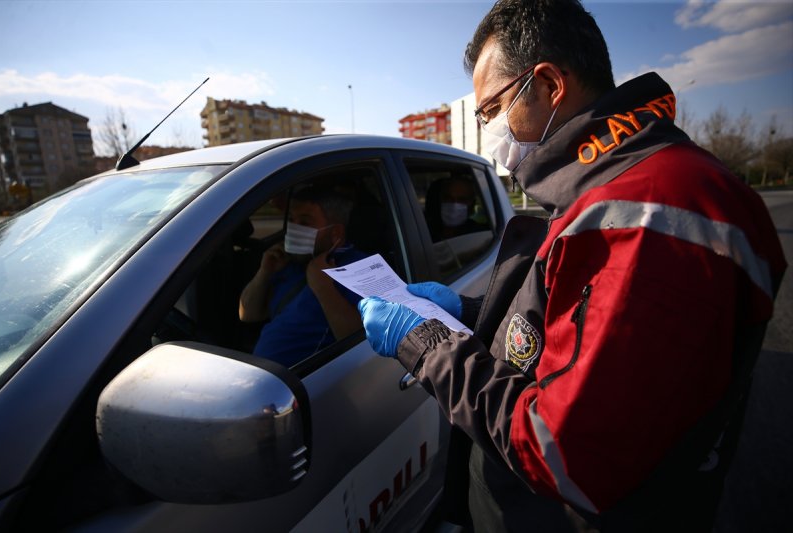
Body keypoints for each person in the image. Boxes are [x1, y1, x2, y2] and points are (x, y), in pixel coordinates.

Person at [357, 1, 787, 531]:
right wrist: (469, 312)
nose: (488, 129)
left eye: (491, 109)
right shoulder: (616, 186)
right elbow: (571, 331)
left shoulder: (643, 213)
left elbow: (564, 452)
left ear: (549, 85)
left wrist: (425, 345)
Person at [239, 184, 366, 367]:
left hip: (304, 380)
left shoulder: (359, 267)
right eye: (291, 220)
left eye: (305, 223)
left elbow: (362, 346)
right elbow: (248, 314)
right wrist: (264, 272)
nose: (293, 228)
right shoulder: (293, 263)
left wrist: (323, 287)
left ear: (335, 233)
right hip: (263, 375)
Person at [425, 176, 489, 242]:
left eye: (462, 200)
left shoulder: (479, 234)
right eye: (448, 198)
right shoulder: (425, 230)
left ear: (472, 204)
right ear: (441, 199)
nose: (454, 204)